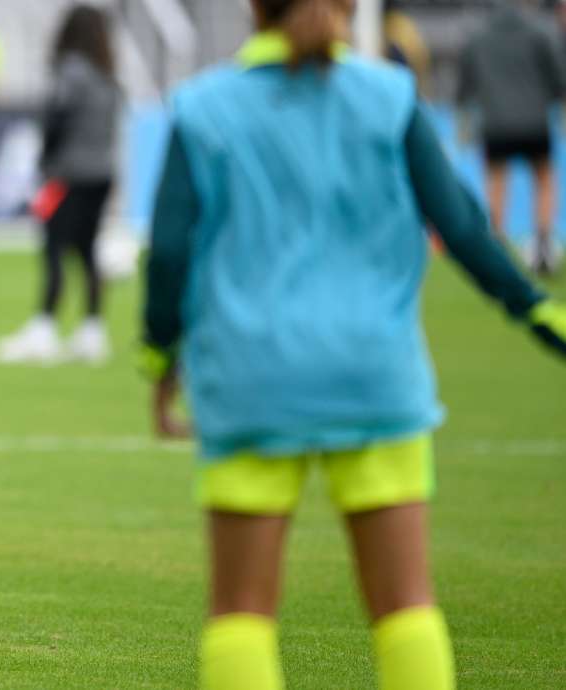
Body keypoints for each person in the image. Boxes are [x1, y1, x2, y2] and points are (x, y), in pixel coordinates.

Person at [142, 1, 566, 688]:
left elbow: (167, 252)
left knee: (241, 616)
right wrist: (536, 309)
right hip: (374, 373)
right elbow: (461, 225)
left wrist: (159, 356)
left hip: (253, 378)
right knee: (405, 608)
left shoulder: (202, 107)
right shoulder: (388, 97)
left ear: (254, 7)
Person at [0, 5, 121, 365]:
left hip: (69, 173)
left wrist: (46, 159)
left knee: (54, 249)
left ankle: (44, 327)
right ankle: (92, 330)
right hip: (102, 171)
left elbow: (56, 117)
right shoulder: (108, 76)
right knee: (87, 250)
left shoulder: (71, 73)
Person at [458, 0, 566, 275]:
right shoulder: (539, 32)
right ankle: (542, 241)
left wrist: (465, 120)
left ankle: (496, 244)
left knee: (496, 180)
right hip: (535, 121)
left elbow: (465, 83)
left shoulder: (478, 36)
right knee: (544, 178)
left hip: (495, 123)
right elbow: (558, 78)